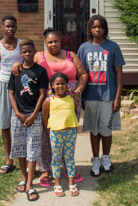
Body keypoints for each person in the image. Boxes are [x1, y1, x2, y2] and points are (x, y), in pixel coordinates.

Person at [11, 27, 88, 187]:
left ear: (60, 40)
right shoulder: (39, 55)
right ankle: (45, 169)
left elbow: (83, 74)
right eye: (50, 42)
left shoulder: (70, 55)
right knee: (46, 134)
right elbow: (27, 60)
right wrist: (17, 63)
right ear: (45, 43)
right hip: (48, 100)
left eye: (56, 41)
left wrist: (78, 91)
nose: (53, 44)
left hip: (70, 100)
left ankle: (69, 167)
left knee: (69, 133)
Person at [77, 15, 125, 177]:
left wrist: (117, 97)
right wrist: (81, 96)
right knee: (94, 130)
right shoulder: (84, 48)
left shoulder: (113, 47)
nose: (97, 30)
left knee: (106, 129)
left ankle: (106, 158)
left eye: (100, 27)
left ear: (105, 28)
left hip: (108, 96)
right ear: (90, 29)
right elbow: (80, 73)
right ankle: (95, 159)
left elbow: (118, 73)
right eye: (94, 27)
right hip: (90, 96)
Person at [8, 39, 48, 202]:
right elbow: (11, 93)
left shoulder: (40, 71)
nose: (27, 54)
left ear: (35, 52)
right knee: (20, 147)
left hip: (34, 116)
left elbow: (42, 94)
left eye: (30, 51)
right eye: (24, 52)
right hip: (18, 115)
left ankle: (30, 184)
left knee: (32, 149)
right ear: (20, 53)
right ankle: (24, 177)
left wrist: (34, 115)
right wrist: (17, 113)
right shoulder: (16, 71)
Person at [0, 15, 22, 175]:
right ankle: (9, 160)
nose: (10, 29)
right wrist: (4, 83)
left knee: (22, 122)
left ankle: (25, 158)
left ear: (16, 27)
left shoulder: (21, 45)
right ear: (2, 27)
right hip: (3, 87)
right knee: (5, 124)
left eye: (13, 26)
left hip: (21, 88)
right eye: (7, 26)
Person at [42, 72, 80, 197]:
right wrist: (49, 130)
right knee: (56, 158)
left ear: (67, 85)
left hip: (70, 132)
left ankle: (71, 184)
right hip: (56, 133)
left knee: (70, 158)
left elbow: (73, 113)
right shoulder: (49, 100)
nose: (60, 86)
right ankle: (57, 185)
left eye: (63, 83)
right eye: (57, 84)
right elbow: (45, 116)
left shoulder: (72, 98)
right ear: (52, 85)